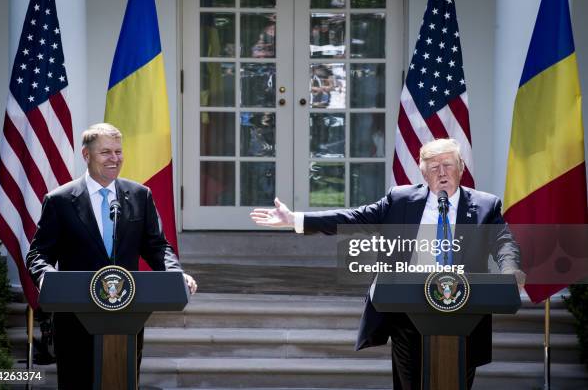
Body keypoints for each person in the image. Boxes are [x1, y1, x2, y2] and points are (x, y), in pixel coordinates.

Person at [250, 138, 525, 390]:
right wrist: (296, 220)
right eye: (433, 167)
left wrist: (509, 270)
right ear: (423, 173)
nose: (441, 173)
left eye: (447, 165)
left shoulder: (485, 205)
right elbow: (353, 218)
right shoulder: (401, 201)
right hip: (409, 312)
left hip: (464, 313)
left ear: (461, 168)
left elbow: (503, 242)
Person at [27, 123, 197, 389]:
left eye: (118, 151)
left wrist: (176, 274)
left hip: (126, 315)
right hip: (75, 316)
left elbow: (157, 246)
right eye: (106, 152)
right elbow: (39, 252)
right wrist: (46, 276)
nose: (115, 158)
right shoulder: (60, 200)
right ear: (86, 155)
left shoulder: (140, 195)